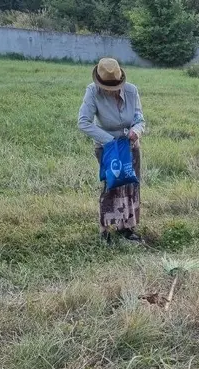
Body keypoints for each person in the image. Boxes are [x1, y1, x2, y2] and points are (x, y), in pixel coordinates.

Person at [78, 57, 145, 243]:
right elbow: (83, 122)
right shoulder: (92, 91)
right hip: (107, 148)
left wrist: (136, 131)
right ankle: (104, 229)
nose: (111, 91)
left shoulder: (132, 91)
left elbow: (140, 119)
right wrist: (109, 141)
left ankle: (127, 227)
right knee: (112, 186)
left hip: (130, 146)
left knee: (131, 185)